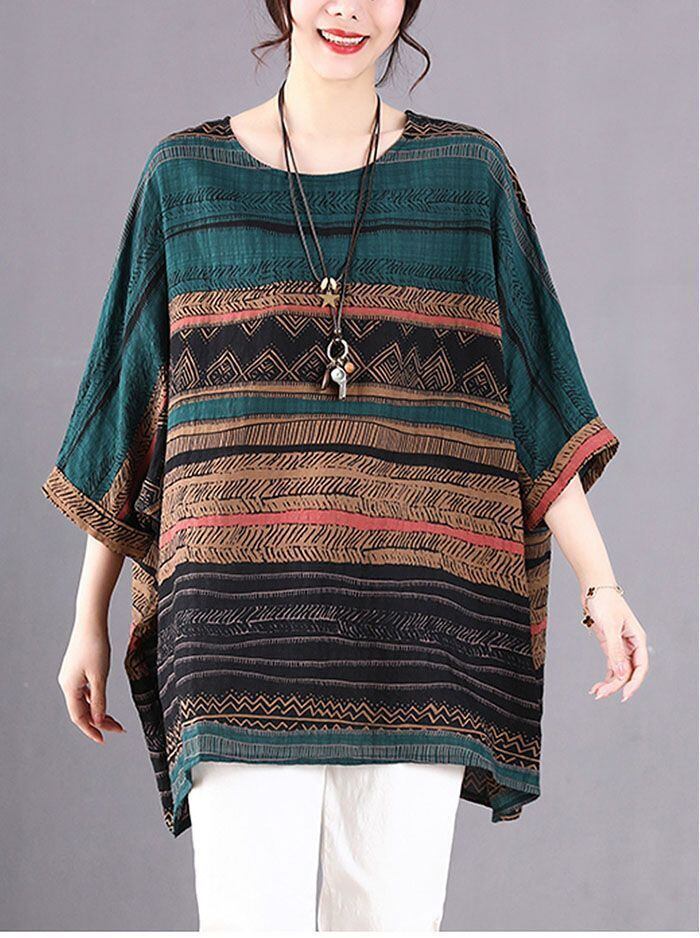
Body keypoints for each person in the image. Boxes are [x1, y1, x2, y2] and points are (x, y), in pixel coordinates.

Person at [41, 0, 650, 931]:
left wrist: (601, 584)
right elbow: (132, 411)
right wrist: (88, 618)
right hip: (232, 626)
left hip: (420, 624)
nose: (347, 7)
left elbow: (533, 395)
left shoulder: (468, 176)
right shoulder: (184, 178)